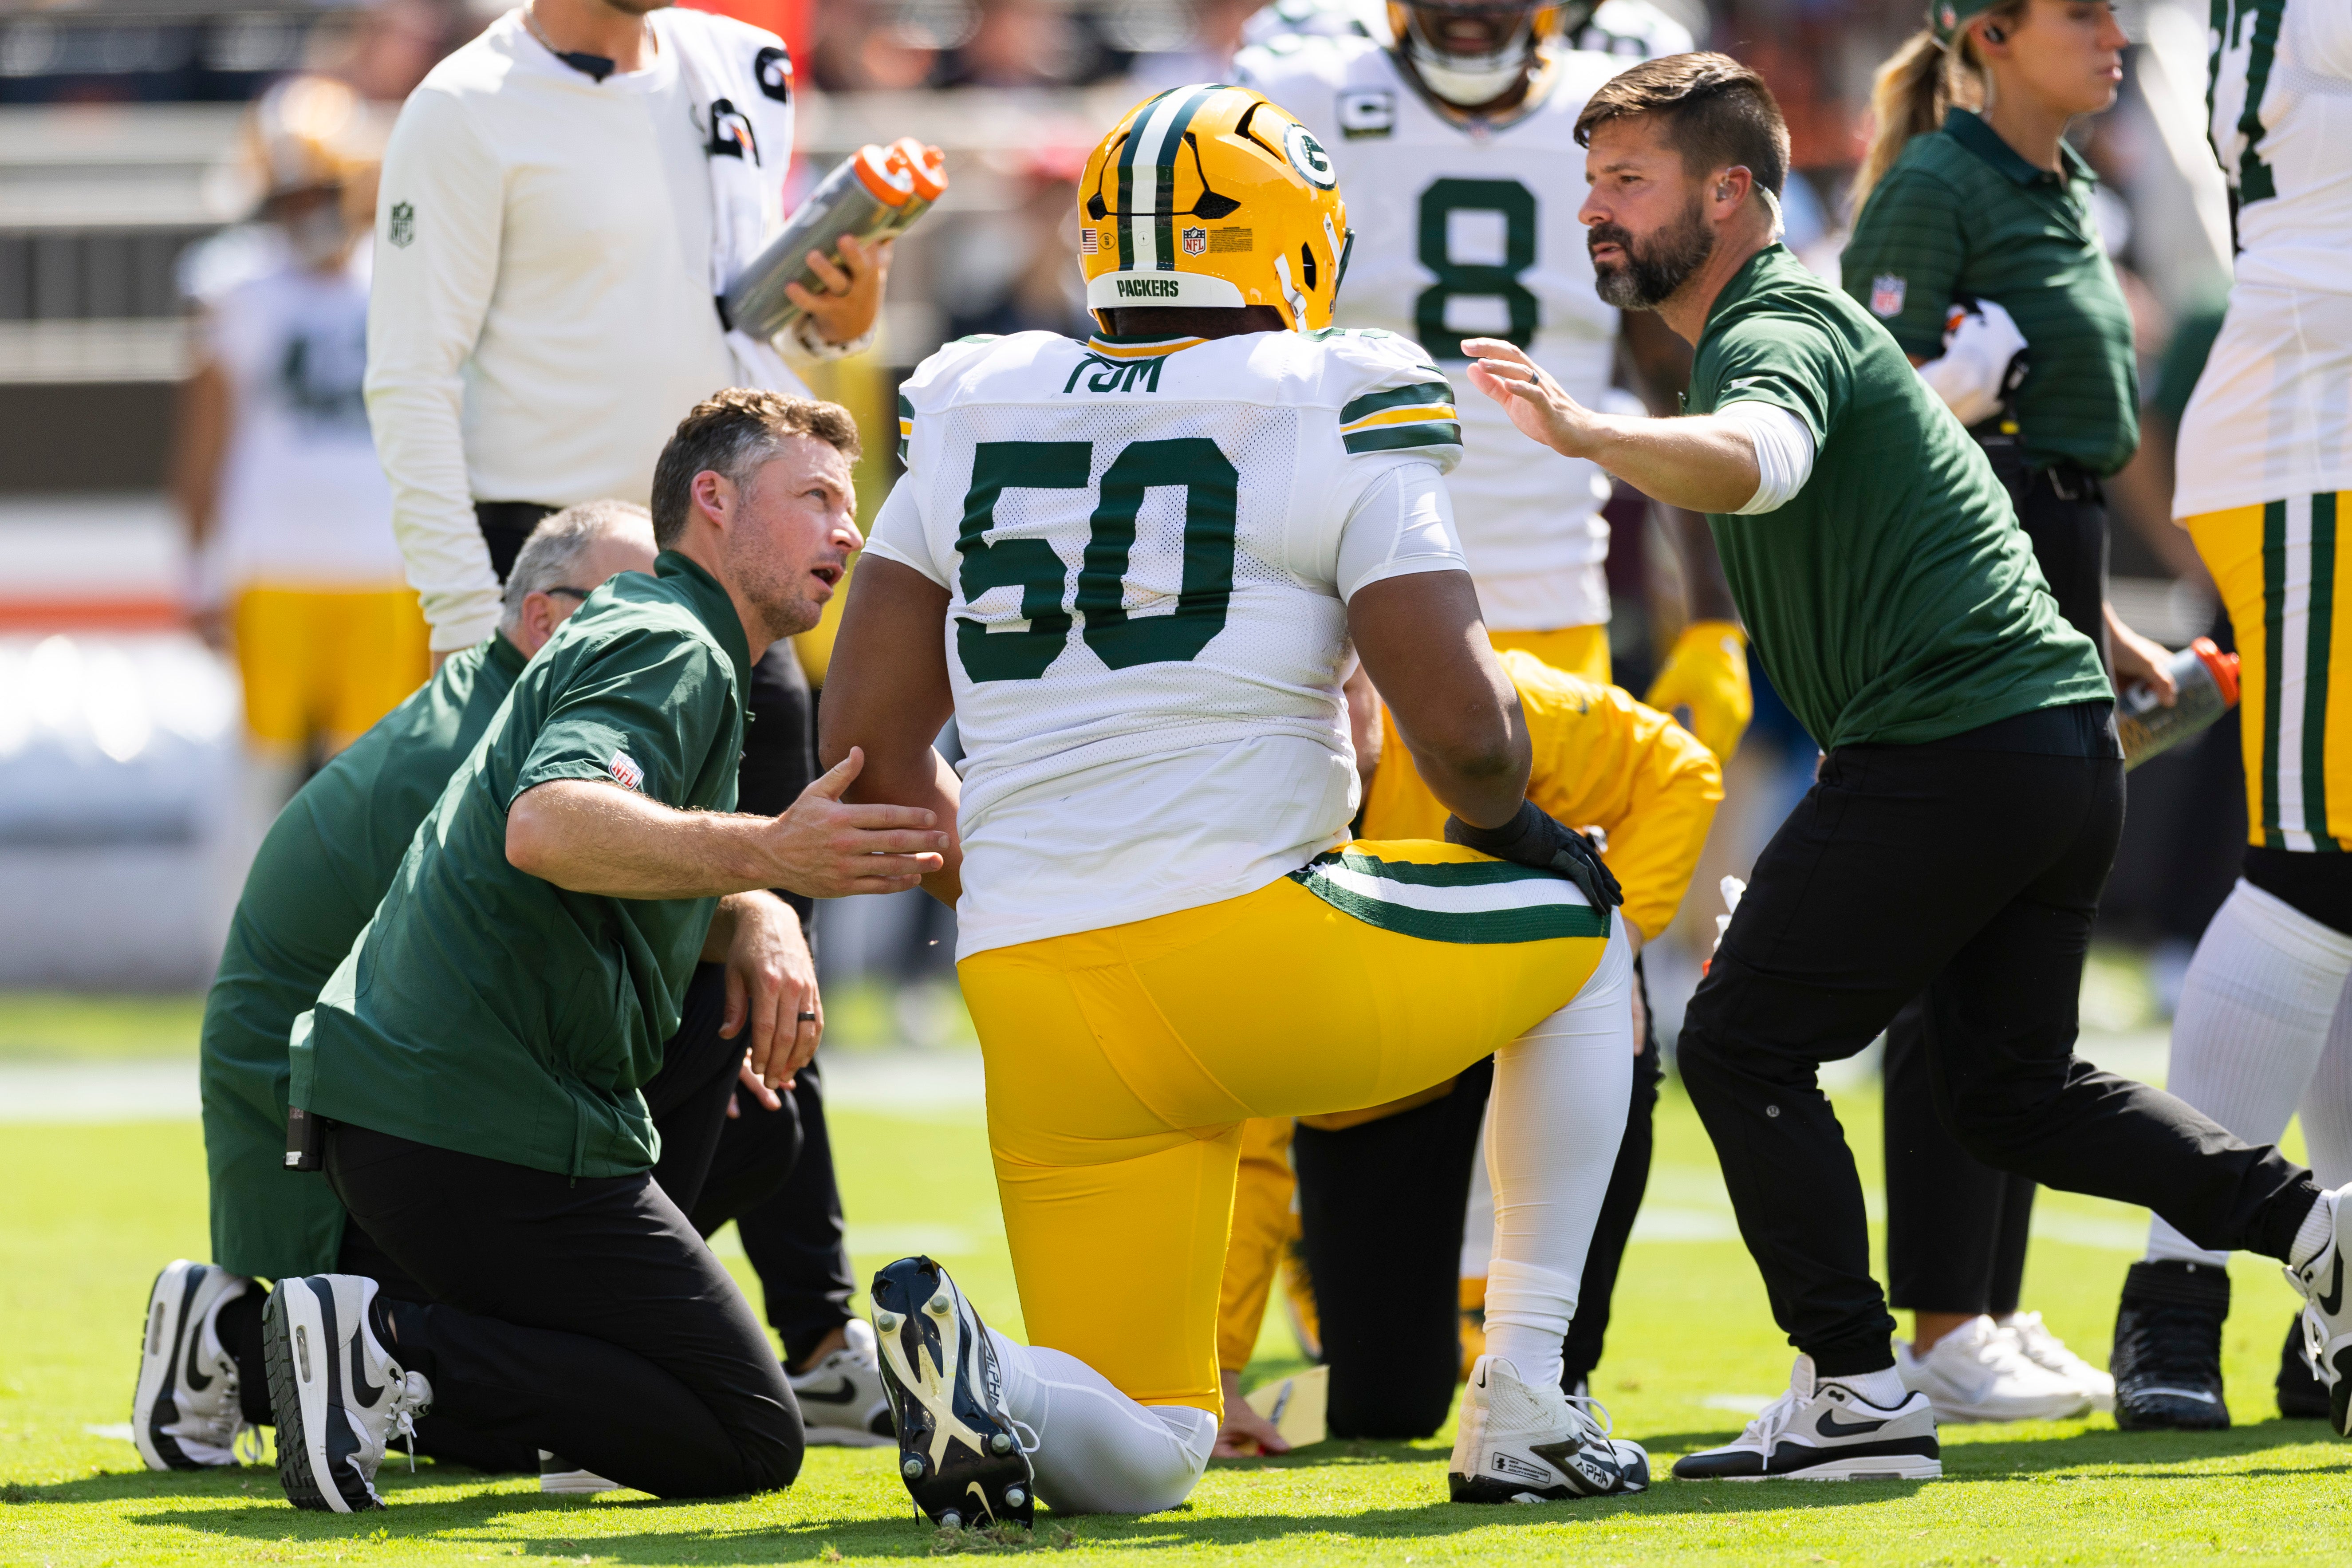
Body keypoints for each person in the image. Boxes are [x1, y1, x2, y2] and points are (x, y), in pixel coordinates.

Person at [1458, 51, 2352, 1482]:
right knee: (2011, 1090)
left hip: (1957, 742)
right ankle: (2320, 1228)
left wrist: (1587, 433)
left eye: (1627, 180)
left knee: (1746, 1040)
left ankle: (1856, 1390)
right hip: (2042, 749)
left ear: (1731, 191)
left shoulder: (1769, 320)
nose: (1595, 212)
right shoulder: (1789, 315)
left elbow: (1760, 455)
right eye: (1590, 182)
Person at [819, 83, 1648, 1524]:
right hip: (1249, 949)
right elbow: (1463, 735)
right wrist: (1525, 834)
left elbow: (869, 742)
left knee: (1149, 1444)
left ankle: (989, 1374)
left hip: (1030, 985)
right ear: (1296, 243)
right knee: (1588, 934)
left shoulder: (971, 398)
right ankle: (1525, 1396)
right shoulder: (1337, 388)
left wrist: (1002, 873)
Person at [256, 391, 947, 1513]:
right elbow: (551, 822)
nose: (849, 532)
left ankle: (329, 1348)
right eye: (816, 497)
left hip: (418, 1113)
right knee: (748, 1436)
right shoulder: (671, 641)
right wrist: (771, 851)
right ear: (711, 503)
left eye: (851, 503)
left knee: (740, 1169)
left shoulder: (662, 632)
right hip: (469, 1119)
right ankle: (382, 1344)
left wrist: (749, 904)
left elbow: (619, 853)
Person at [132, 502, 728, 1480]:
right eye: (629, 598)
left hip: (324, 1098)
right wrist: (755, 908)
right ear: (545, 620)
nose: (656, 622)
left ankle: (240, 1332)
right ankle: (239, 1348)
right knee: (500, 1418)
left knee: (734, 1083)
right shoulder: (503, 753)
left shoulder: (488, 709)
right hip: (321, 1129)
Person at [1838, 0, 2169, 1423]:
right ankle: (1940, 1316)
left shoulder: (2058, 180)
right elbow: (1868, 419)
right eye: (2080, 14)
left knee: (2022, 962)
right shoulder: (1931, 183)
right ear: (1984, 33)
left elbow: (2060, 456)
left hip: (2053, 563)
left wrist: (2099, 619)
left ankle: (1991, 1298)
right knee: (1952, 955)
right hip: (1961, 590)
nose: (2114, 38)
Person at [1213, 651, 1720, 1451]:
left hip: (1526, 1002)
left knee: (1610, 1017)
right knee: (1386, 1408)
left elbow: (1678, 769)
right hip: (1384, 1063)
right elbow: (1242, 1123)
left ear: (1372, 676)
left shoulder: (1482, 702)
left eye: (1337, 693)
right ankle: (1342, 1330)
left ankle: (1559, 1374)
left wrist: (1619, 940)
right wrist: (1217, 1372)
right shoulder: (1230, 824)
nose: (1323, 730)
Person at [1234, 0, 1752, 750]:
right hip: (1344, 614)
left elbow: (1673, 374)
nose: (1466, 8)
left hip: (1547, 594)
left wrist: (1713, 618)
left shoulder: (1619, 104)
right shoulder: (1307, 91)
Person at [2105, 0, 2352, 1434]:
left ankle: (2335, 1300)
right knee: (2316, 863)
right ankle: (2176, 1284)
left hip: (2324, 407)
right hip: (2322, 416)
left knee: (2342, 870)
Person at [365, 0, 887, 652]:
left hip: (727, 556)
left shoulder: (738, 60)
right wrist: (465, 620)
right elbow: (410, 376)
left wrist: (835, 324)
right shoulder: (461, 105)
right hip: (557, 572)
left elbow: (717, 312)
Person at [172, 75, 422, 790]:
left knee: (377, 780)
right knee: (264, 780)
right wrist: (198, 572)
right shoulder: (235, 286)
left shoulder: (408, 277)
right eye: (289, 197)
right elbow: (203, 441)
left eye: (318, 190)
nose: (305, 212)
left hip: (384, 568)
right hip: (272, 566)